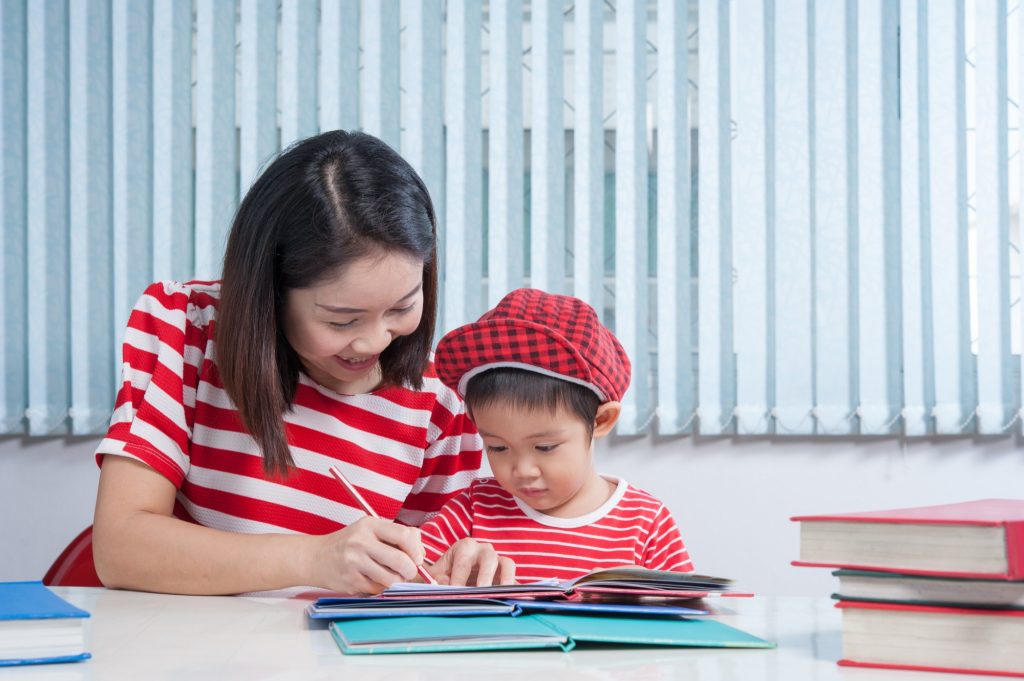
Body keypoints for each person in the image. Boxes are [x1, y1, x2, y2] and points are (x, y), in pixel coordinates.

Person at [91, 130, 514, 595]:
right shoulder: (186, 328)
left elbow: (426, 576)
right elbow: (120, 550)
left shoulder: (441, 402)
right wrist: (311, 557)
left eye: (401, 308)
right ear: (271, 290)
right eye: (342, 320)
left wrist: (464, 562)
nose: (373, 341)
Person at [419, 288, 695, 582]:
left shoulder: (645, 523)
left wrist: (655, 599)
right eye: (498, 448)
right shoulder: (474, 509)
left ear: (601, 420)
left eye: (545, 447)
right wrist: (432, 576)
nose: (522, 470)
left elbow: (692, 616)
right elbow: (400, 581)